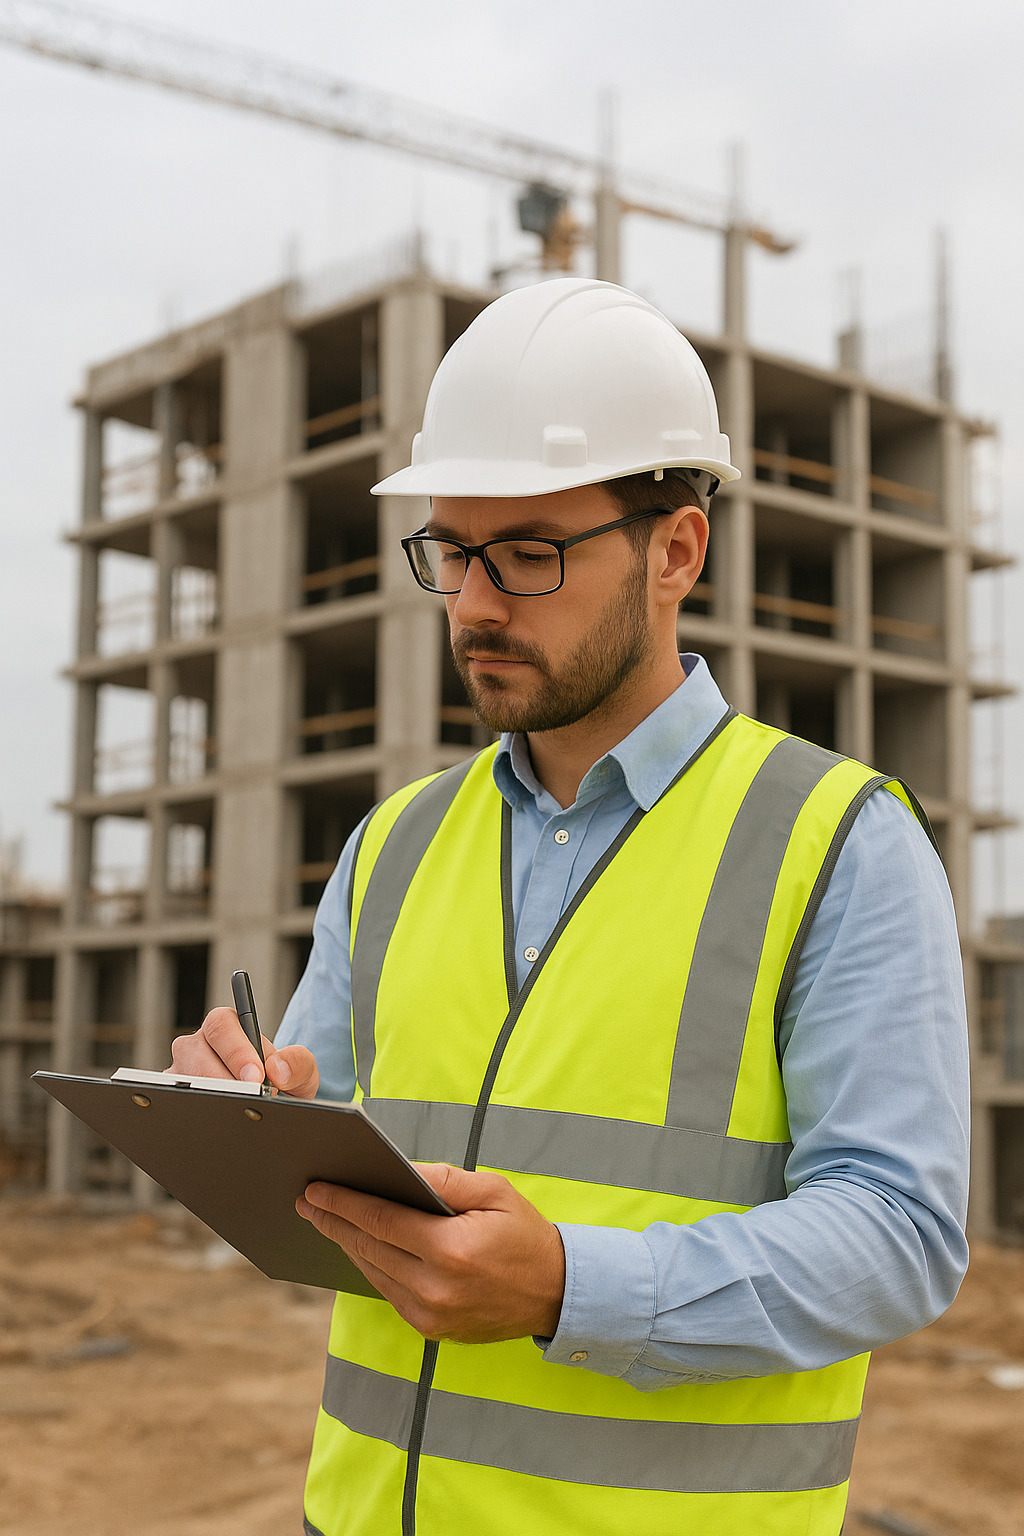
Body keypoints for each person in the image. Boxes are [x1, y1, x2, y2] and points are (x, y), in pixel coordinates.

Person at [172, 279, 969, 1536]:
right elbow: (327, 1176)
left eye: (529, 553)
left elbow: (900, 1234)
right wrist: (247, 1115)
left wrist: (567, 1287)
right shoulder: (393, 846)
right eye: (451, 551)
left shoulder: (837, 844)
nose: (475, 604)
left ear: (676, 552)